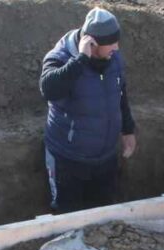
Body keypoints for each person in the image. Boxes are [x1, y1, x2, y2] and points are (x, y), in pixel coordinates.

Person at [40, 7, 137, 213]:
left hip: (105, 159)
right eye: (111, 43)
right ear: (92, 43)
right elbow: (48, 89)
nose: (116, 48)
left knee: (102, 214)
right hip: (68, 160)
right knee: (67, 216)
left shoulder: (113, 59)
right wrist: (80, 61)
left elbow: (120, 94)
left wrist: (128, 130)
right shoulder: (61, 57)